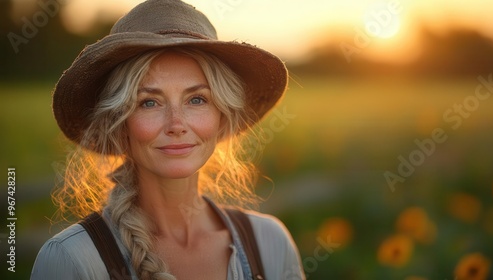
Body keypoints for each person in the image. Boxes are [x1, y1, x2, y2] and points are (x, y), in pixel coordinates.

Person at [31, 0, 305, 279]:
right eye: (149, 102)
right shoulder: (72, 259)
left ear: (221, 117)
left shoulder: (270, 244)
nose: (176, 125)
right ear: (120, 124)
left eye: (196, 99)